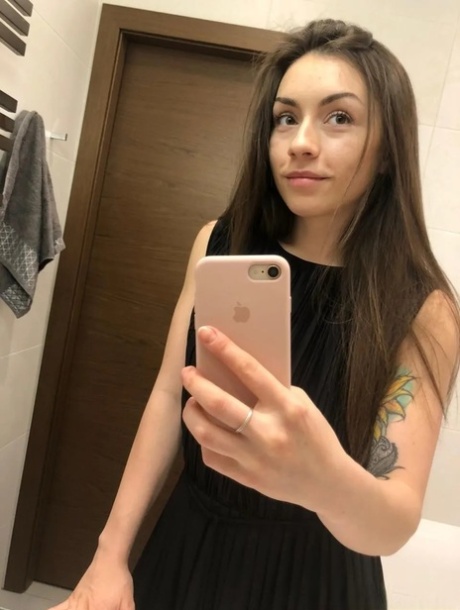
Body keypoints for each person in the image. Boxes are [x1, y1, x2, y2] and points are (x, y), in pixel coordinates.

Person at [53, 18, 460, 610]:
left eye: (339, 117)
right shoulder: (218, 245)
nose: (301, 141)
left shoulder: (423, 308)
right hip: (189, 543)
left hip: (319, 578)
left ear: (387, 152)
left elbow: (393, 523)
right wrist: (108, 555)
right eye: (285, 118)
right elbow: (169, 395)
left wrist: (322, 479)